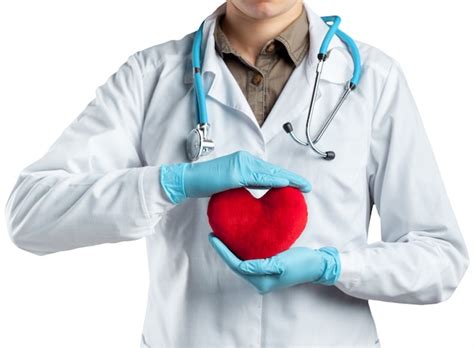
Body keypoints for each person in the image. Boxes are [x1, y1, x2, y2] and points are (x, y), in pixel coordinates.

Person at [4, 0, 470, 347]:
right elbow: (30, 215)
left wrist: (336, 266)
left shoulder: (374, 80)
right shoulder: (150, 77)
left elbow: (440, 260)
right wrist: (169, 183)